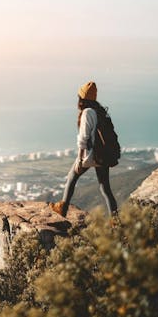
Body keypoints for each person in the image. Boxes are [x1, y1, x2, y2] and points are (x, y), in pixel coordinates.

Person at [50, 81, 118, 217]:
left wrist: (80, 159)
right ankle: (115, 221)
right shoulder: (100, 111)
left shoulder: (87, 113)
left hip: (90, 155)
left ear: (82, 98)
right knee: (105, 188)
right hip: (102, 155)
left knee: (71, 177)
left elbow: (83, 138)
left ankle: (62, 209)